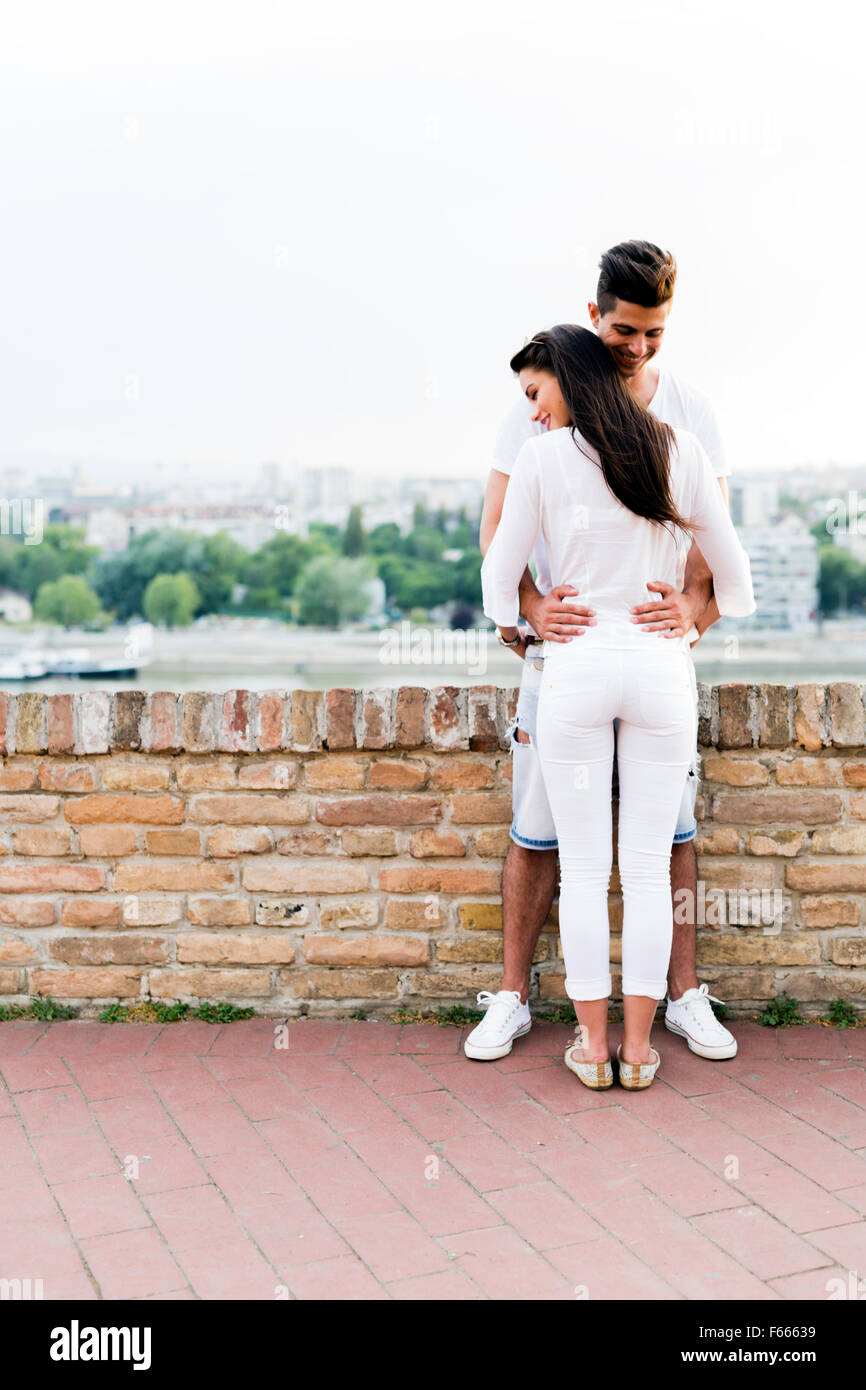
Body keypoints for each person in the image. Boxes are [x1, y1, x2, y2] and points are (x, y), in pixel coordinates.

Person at [465, 240, 737, 1064]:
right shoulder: (537, 407)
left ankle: (681, 998)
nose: (641, 347)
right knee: (538, 832)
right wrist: (531, 614)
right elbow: (497, 535)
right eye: (626, 330)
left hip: (651, 655)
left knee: (670, 835)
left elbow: (717, 553)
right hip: (566, 654)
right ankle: (513, 998)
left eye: (656, 333)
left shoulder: (692, 412)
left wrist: (691, 614)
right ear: (595, 317)